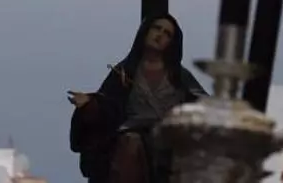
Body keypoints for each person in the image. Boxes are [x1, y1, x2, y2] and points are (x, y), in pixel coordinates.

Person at [68, 15, 207, 183]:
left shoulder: (180, 76)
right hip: (132, 137)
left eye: (167, 34)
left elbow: (203, 105)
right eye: (157, 28)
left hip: (169, 142)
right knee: (130, 145)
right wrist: (90, 104)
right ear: (146, 31)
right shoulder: (124, 72)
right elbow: (109, 107)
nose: (160, 35)